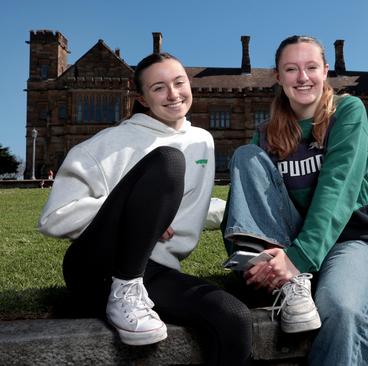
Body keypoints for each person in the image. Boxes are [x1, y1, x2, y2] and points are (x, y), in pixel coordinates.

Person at [38, 53, 252, 365]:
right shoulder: (108, 143)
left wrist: (253, 218)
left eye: (179, 82)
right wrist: (134, 215)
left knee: (234, 317)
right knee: (168, 161)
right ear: (142, 98)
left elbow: (197, 208)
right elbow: (54, 218)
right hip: (96, 269)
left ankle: (132, 290)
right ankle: (124, 289)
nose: (174, 94)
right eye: (159, 88)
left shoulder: (201, 140)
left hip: (154, 273)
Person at [221, 35, 368, 366]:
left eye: (311, 67)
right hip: (287, 245)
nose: (303, 78)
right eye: (291, 69)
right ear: (278, 76)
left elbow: (338, 187)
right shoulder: (266, 133)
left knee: (341, 309)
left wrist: (298, 258)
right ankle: (291, 281)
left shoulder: (348, 112)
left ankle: (350, 306)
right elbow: (247, 205)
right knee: (245, 157)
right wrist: (257, 263)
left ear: (325, 71)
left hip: (348, 240)